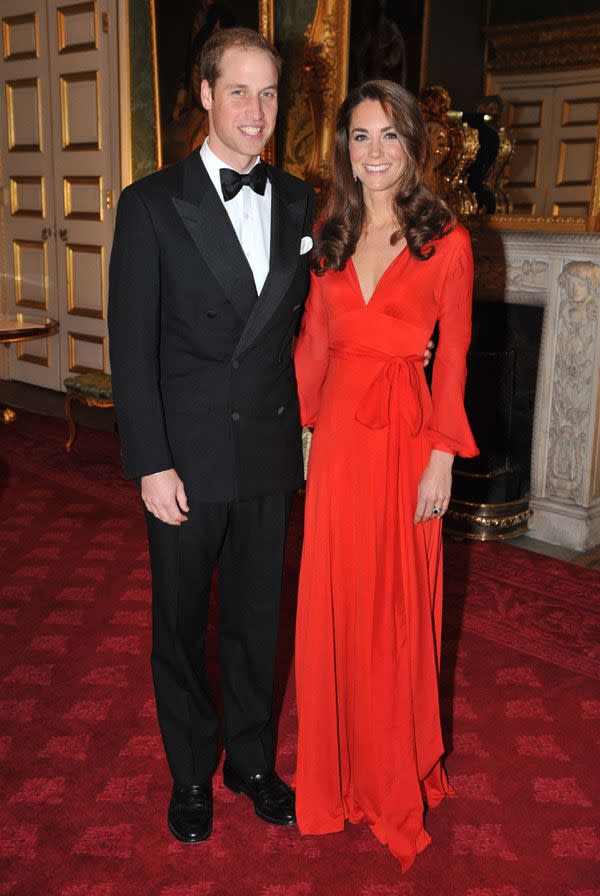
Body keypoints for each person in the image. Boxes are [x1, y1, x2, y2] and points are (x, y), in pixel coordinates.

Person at [108, 27, 316, 844]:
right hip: (186, 458)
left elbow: (314, 326)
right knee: (182, 622)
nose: (257, 110)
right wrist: (150, 462)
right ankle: (191, 770)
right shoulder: (152, 203)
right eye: (239, 90)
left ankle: (252, 761)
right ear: (203, 94)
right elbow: (132, 346)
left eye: (269, 93)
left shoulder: (299, 200)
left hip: (266, 452)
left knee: (258, 618)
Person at [293, 79, 478, 870]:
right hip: (336, 443)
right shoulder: (327, 232)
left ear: (413, 145)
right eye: (360, 137)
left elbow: (457, 355)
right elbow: (312, 343)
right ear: (345, 149)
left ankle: (394, 771)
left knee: (396, 607)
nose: (373, 152)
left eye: (388, 136)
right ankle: (336, 778)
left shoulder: (449, 242)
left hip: (407, 443)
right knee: (335, 602)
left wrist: (441, 454)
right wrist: (296, 434)